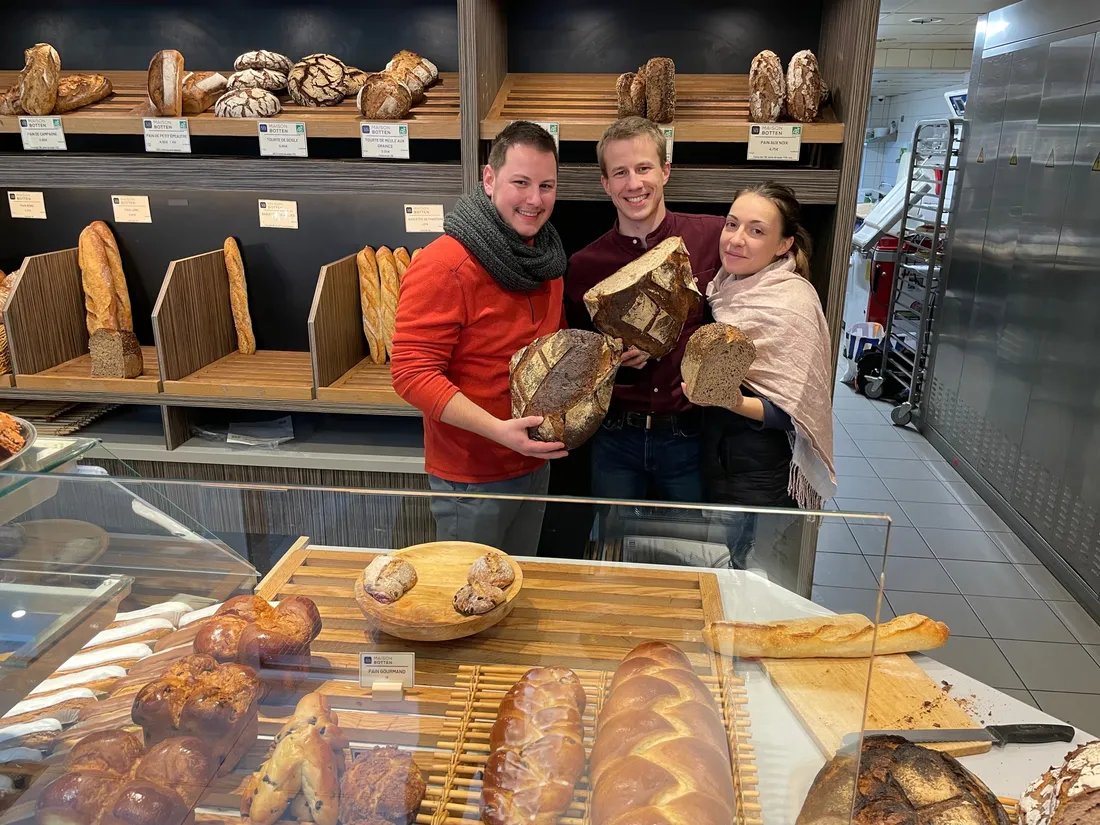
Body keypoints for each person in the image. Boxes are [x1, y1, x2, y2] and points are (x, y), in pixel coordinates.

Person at [390, 121, 568, 555]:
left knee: (517, 586)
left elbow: (551, 349)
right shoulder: (444, 265)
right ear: (489, 180)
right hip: (470, 477)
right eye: (520, 183)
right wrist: (498, 431)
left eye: (546, 185)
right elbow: (410, 373)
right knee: (471, 600)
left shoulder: (547, 258)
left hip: (533, 463)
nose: (534, 199)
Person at [565, 117, 724, 502]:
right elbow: (573, 357)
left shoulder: (713, 237)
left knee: (685, 550)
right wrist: (609, 358)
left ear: (665, 171)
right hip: (615, 437)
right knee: (614, 550)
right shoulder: (585, 264)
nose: (634, 184)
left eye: (643, 168)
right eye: (620, 172)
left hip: (688, 434)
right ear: (605, 183)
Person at [688, 181, 837, 568]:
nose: (736, 240)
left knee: (749, 572)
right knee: (719, 567)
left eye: (756, 231)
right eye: (731, 224)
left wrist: (733, 401)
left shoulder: (791, 303)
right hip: (718, 457)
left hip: (760, 471)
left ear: (784, 244)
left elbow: (794, 411)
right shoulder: (723, 290)